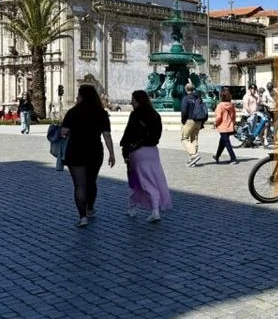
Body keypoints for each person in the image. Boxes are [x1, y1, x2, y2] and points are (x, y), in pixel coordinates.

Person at [60, 84, 115, 227]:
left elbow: (64, 132)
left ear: (82, 96)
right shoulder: (101, 113)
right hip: (94, 151)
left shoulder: (73, 112)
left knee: (79, 186)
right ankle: (90, 208)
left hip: (75, 150)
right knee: (91, 182)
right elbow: (107, 135)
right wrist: (112, 154)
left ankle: (82, 217)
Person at [120, 89, 172, 223]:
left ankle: (137, 208)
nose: (131, 102)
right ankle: (149, 209)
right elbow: (157, 135)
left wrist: (125, 151)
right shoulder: (155, 115)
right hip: (152, 152)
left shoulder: (135, 115)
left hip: (138, 152)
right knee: (152, 179)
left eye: (133, 100)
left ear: (137, 101)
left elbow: (128, 134)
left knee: (136, 180)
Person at [179, 83, 207, 166]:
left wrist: (183, 120)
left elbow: (184, 111)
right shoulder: (198, 97)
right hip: (199, 121)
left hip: (189, 120)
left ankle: (194, 155)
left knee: (184, 138)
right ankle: (193, 160)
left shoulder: (186, 98)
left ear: (186, 89)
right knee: (194, 139)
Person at [212, 88, 238, 164]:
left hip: (223, 127)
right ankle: (217, 156)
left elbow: (219, 117)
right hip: (229, 126)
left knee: (227, 143)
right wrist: (233, 123)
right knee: (222, 142)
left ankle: (233, 158)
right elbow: (233, 116)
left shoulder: (220, 105)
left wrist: (215, 123)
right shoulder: (231, 105)